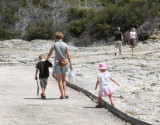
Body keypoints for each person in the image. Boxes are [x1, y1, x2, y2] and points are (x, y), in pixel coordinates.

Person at [46, 32, 73, 99]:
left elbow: (50, 53)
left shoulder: (55, 45)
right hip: (65, 63)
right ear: (62, 37)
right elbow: (68, 55)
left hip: (57, 63)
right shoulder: (66, 45)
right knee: (64, 79)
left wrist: (46, 60)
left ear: (56, 38)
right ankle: (65, 93)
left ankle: (62, 95)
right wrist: (71, 64)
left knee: (59, 80)